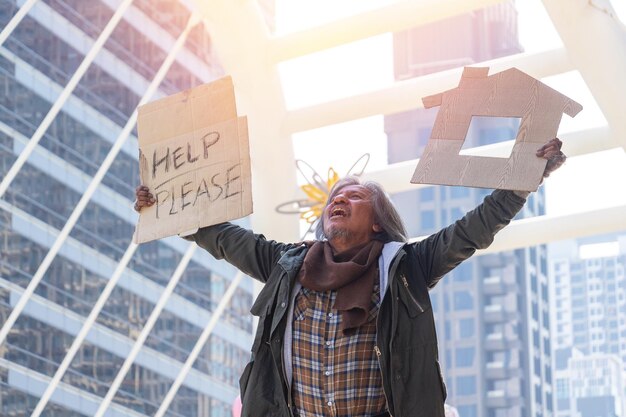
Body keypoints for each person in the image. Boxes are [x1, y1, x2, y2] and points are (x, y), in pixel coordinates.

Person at [135, 138, 566, 417]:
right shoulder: (287, 265)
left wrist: (527, 178)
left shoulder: (405, 268)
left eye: (354, 196)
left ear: (378, 223)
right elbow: (225, 239)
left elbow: (473, 229)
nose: (339, 199)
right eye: (335, 197)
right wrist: (168, 207)